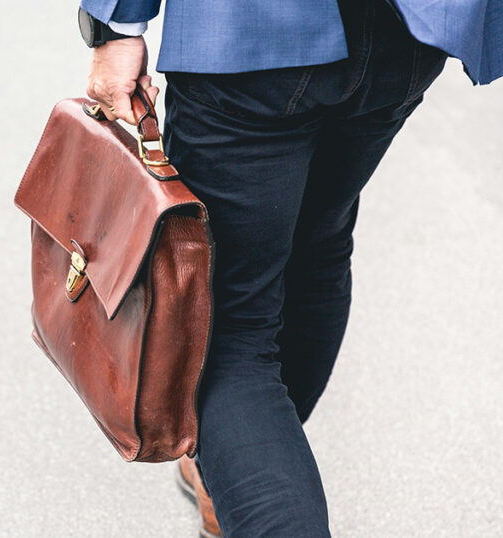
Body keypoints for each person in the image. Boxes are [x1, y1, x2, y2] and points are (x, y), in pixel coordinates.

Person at [76, 0, 501, 536]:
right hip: (408, 35)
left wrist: (115, 23)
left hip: (254, 32)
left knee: (226, 328)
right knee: (317, 242)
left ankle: (248, 461)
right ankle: (242, 460)